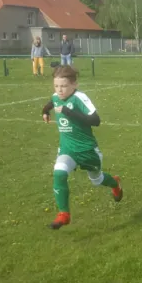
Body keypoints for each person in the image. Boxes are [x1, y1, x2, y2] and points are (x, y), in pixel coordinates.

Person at [41, 65, 123, 230]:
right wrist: (45, 111)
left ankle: (114, 183)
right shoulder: (56, 97)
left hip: (87, 150)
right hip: (67, 149)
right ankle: (64, 214)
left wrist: (67, 111)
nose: (59, 90)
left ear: (74, 84)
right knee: (59, 173)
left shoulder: (80, 97)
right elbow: (51, 102)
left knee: (97, 180)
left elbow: (95, 120)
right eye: (56, 86)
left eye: (63, 86)